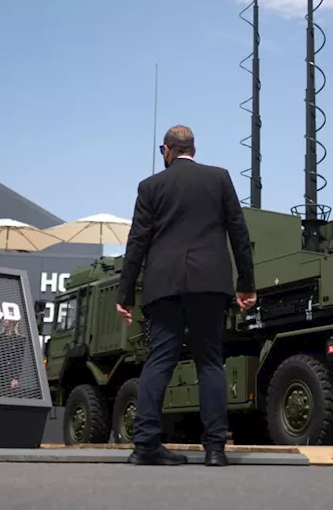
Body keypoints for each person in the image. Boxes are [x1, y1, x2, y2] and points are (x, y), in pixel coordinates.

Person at [115, 125, 256, 467]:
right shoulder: (219, 178)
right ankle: (215, 449)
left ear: (167, 150)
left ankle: (145, 445)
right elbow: (239, 231)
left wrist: (125, 293)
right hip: (210, 284)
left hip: (163, 286)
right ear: (193, 148)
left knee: (160, 359)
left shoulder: (150, 186)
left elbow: (137, 242)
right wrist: (246, 284)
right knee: (210, 361)